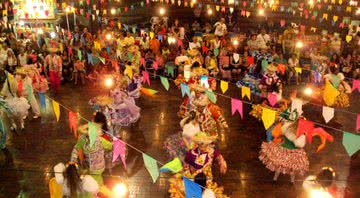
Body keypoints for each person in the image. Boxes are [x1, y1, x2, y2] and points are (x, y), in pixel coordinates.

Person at [168, 132, 228, 198]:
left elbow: (219, 156)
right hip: (194, 177)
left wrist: (222, 162)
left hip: (207, 179)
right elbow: (186, 165)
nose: (202, 146)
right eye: (200, 144)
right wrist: (187, 171)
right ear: (197, 144)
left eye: (204, 144)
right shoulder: (191, 153)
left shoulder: (211, 151)